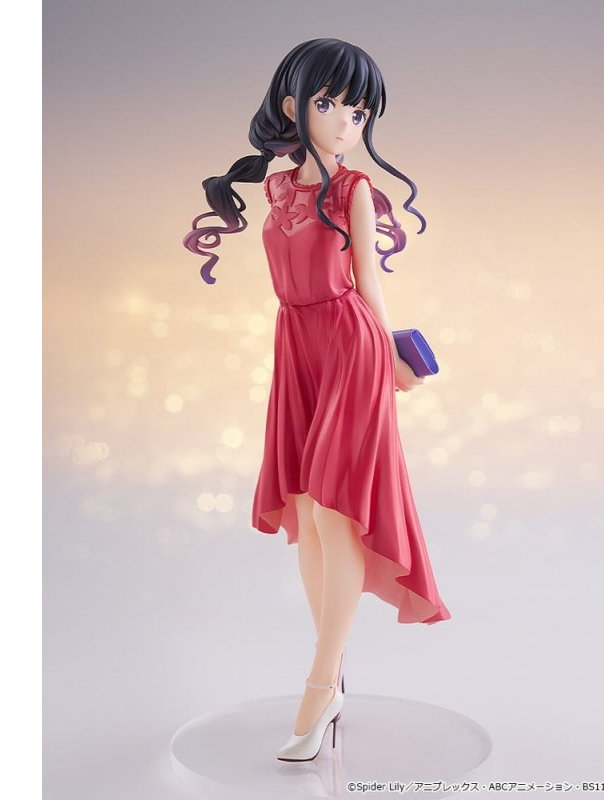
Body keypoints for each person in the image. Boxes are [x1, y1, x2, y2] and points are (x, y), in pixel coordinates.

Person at [184, 37, 450, 762]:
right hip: (297, 346)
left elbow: (369, 282)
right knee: (305, 509)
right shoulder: (276, 188)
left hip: (349, 345)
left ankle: (320, 681)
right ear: (292, 104)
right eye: (330, 104)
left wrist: (391, 357)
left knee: (336, 511)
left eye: (359, 113)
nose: (344, 123)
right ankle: (333, 673)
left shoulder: (353, 190)